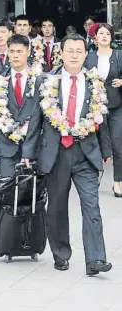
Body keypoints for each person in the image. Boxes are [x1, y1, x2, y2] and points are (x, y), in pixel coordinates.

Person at [25, 33, 112, 276]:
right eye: (70, 50)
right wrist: (28, 153)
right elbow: (36, 120)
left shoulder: (95, 82)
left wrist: (106, 151)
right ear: (61, 53)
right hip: (57, 153)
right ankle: (61, 253)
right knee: (57, 208)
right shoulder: (47, 80)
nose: (74, 55)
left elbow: (102, 120)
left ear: (86, 54)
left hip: (86, 152)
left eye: (79, 51)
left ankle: (95, 259)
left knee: (91, 206)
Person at [0, 34, 42, 177]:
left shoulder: (40, 80)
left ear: (28, 52)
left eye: (19, 51)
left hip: (33, 144)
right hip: (7, 145)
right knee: (7, 189)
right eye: (12, 51)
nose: (15, 56)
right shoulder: (0, 81)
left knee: (31, 193)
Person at [85, 23, 122, 197]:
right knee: (95, 143)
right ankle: (93, 178)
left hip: (116, 105)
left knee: (117, 143)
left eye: (108, 34)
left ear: (111, 37)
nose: (105, 36)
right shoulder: (89, 57)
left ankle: (117, 182)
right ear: (95, 38)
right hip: (95, 107)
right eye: (101, 34)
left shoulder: (119, 55)